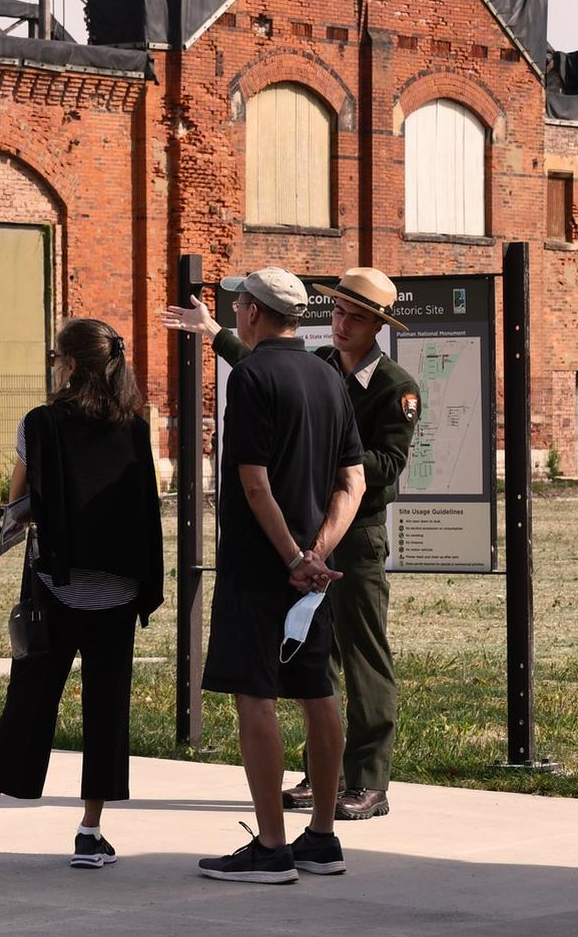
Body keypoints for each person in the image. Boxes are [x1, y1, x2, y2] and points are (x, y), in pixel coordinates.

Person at [164, 267, 419, 821]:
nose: (342, 324)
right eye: (338, 313)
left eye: (355, 317)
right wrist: (213, 330)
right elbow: (263, 365)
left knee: (363, 652)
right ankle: (321, 774)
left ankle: (369, 778)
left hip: (355, 534)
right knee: (312, 656)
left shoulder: (395, 387)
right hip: (307, 528)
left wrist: (321, 454)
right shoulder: (321, 366)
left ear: (376, 325)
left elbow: (388, 466)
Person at [0, 318, 164, 868]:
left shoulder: (40, 424)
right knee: (107, 708)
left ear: (66, 364)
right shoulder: (135, 428)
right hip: (118, 589)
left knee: (28, 702)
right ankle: (90, 831)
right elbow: (145, 507)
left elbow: (19, 500)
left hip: (54, 585)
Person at [195, 266, 365, 884]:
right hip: (312, 575)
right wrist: (317, 555)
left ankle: (270, 846)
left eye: (240, 304)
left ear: (253, 312)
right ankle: (322, 835)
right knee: (317, 690)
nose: (237, 312)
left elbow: (253, 480)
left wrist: (293, 557)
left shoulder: (253, 377)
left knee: (256, 696)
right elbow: (354, 480)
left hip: (260, 567)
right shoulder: (327, 374)